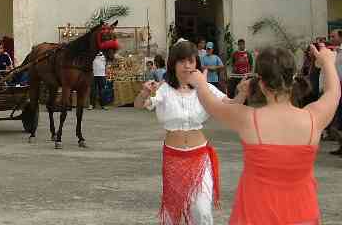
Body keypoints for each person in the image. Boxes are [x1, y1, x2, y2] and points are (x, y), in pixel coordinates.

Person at [190, 45, 340, 225]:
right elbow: (333, 93)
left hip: (254, 216)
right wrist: (328, 62)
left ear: (260, 83)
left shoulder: (248, 119)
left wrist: (199, 82)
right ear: (293, 79)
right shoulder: (313, 118)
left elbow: (211, 103)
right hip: (303, 215)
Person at [134, 40, 248, 225]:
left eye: (191, 61)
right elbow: (139, 105)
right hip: (173, 158)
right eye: (181, 61)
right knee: (173, 215)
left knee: (202, 212)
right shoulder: (164, 89)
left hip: (200, 158)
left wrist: (242, 93)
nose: (187, 66)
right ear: (173, 64)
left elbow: (231, 105)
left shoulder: (205, 89)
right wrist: (144, 93)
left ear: (197, 64)